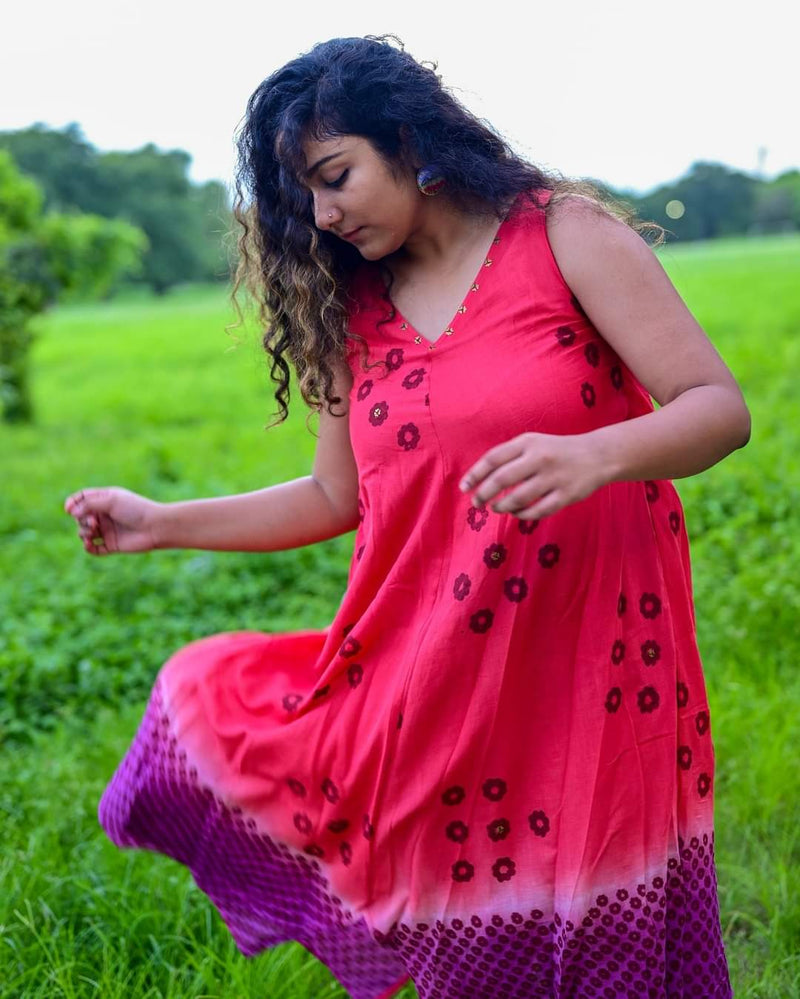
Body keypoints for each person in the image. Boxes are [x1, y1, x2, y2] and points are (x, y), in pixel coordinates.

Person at [64, 35, 749, 999]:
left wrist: (595, 453)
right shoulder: (354, 312)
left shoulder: (563, 235)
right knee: (473, 937)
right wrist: (160, 521)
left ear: (411, 138)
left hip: (597, 656)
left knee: (606, 921)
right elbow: (332, 498)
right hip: (438, 678)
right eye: (305, 194)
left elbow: (717, 407)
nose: (323, 212)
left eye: (335, 176)